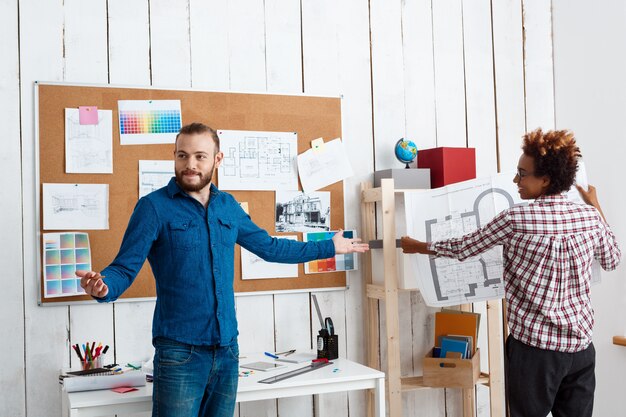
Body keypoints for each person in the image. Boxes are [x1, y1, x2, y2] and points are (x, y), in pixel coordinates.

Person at [76, 122, 369, 417]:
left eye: (200, 156)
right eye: (182, 156)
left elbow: (271, 248)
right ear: (174, 156)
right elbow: (123, 269)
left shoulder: (228, 207)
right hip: (179, 354)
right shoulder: (153, 208)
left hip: (227, 352)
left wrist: (329, 247)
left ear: (217, 159)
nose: (190, 165)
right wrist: (103, 286)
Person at [400, 128, 621, 417]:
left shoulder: (516, 218)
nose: (516, 180)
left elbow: (465, 247)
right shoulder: (589, 218)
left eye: (522, 173)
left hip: (534, 352)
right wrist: (596, 205)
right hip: (581, 350)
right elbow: (613, 259)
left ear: (546, 179)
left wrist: (419, 246)